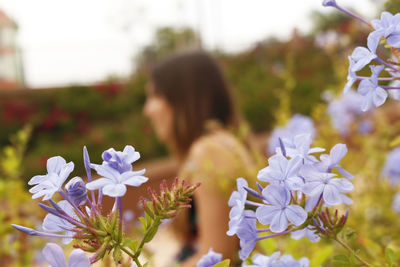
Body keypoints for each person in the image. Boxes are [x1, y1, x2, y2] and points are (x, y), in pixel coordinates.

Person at [143, 51, 255, 266]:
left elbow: (218, 256)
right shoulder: (221, 143)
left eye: (155, 96)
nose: (147, 109)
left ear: (183, 97)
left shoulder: (209, 150)